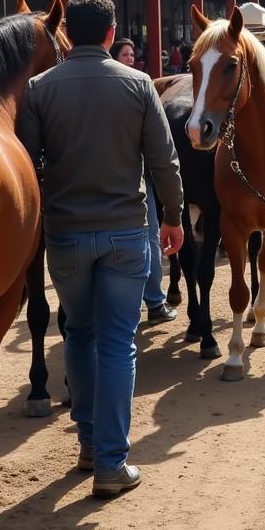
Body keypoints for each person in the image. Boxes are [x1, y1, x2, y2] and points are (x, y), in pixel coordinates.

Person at [18, 0, 184, 498]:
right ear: (112, 34)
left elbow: (25, 164)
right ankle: (112, 462)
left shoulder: (39, 88)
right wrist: (174, 217)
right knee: (118, 343)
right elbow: (164, 160)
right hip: (124, 230)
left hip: (65, 230)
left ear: (69, 31)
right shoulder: (137, 84)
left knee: (79, 335)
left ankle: (89, 445)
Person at [109, 37, 176, 326]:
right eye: (125, 53)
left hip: (131, 172)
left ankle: (152, 300)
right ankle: (149, 302)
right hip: (133, 174)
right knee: (144, 237)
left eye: (132, 54)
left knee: (145, 240)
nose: (131, 58)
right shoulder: (139, 84)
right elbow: (160, 146)